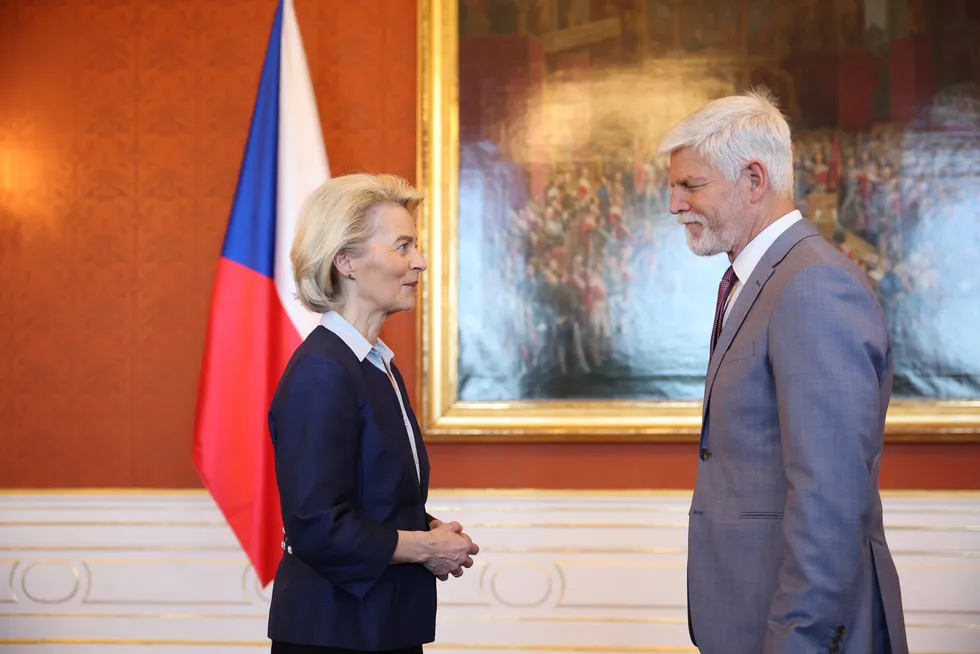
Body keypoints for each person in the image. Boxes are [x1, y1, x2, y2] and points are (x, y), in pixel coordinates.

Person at [657, 90, 908, 654]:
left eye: (690, 185)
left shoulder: (814, 285)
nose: (673, 204)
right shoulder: (760, 279)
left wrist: (798, 641)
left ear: (753, 179)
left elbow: (831, 499)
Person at [266, 173, 479, 654]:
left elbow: (373, 499)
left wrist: (429, 531)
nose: (420, 262)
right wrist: (425, 548)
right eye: (402, 246)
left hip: (380, 627)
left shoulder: (373, 364)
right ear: (346, 261)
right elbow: (318, 526)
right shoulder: (323, 371)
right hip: (334, 634)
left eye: (416, 246)